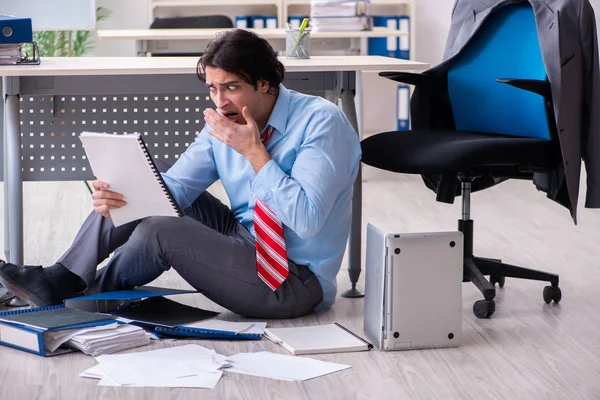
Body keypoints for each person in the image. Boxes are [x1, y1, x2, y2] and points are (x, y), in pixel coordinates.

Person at [0, 29, 361, 319]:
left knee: (161, 231)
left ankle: (85, 299)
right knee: (145, 180)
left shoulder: (321, 122)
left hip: (291, 280)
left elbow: (307, 220)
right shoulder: (224, 120)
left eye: (231, 88)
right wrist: (119, 196)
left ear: (265, 83)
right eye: (213, 88)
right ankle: (61, 278)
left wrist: (254, 152)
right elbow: (173, 190)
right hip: (243, 239)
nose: (220, 102)